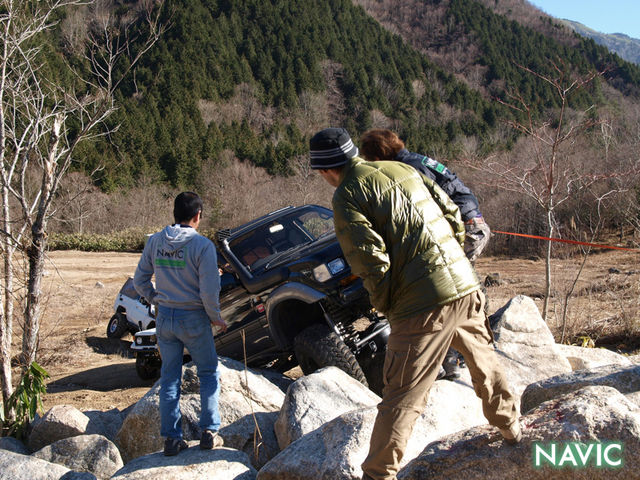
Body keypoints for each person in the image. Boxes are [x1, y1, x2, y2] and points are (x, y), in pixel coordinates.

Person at [309, 128, 520, 480]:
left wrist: (386, 304)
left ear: (325, 170)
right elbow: (453, 214)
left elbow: (369, 262)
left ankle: (378, 475)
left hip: (420, 306)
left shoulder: (347, 196)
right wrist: (451, 260)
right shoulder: (403, 169)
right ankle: (512, 429)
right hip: (465, 287)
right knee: (485, 364)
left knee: (401, 399)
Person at [360, 128, 491, 380]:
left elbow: (430, 206)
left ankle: (452, 364)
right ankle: (466, 352)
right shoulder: (416, 160)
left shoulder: (407, 170)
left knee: (442, 292)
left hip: (464, 228)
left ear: (379, 155)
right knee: (456, 289)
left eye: (371, 160)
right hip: (473, 222)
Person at [134, 192, 227, 456]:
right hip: (195, 318)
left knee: (170, 378)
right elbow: (209, 290)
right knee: (208, 372)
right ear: (198, 216)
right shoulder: (203, 246)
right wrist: (215, 317)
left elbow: (140, 280)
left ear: (174, 214)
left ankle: (172, 439)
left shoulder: (155, 242)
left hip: (165, 319)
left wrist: (155, 298)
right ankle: (209, 432)